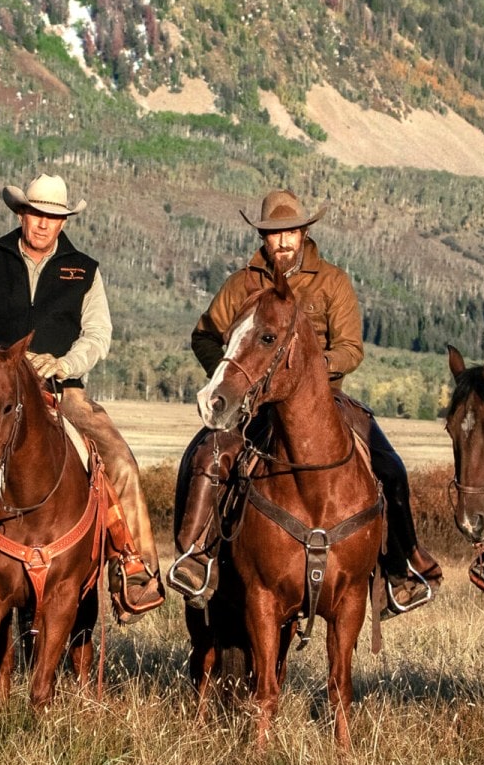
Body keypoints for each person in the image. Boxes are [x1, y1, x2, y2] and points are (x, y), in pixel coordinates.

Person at [170, 188, 442, 613]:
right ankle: (197, 556)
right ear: (262, 236)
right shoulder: (243, 283)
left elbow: (352, 348)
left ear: (304, 231)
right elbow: (204, 335)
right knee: (209, 454)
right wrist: (231, 378)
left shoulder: (332, 281)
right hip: (255, 403)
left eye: (291, 232)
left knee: (390, 466)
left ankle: (402, 569)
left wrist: (312, 371)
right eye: (274, 234)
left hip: (325, 399)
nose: (283, 241)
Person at [0, 174, 165, 622]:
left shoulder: (84, 270)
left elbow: (98, 334)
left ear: (63, 220)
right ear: (22, 213)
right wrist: (3, 361)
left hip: (62, 390)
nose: (43, 224)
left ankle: (133, 565)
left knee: (119, 461)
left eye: (54, 217)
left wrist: (65, 364)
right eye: (36, 214)